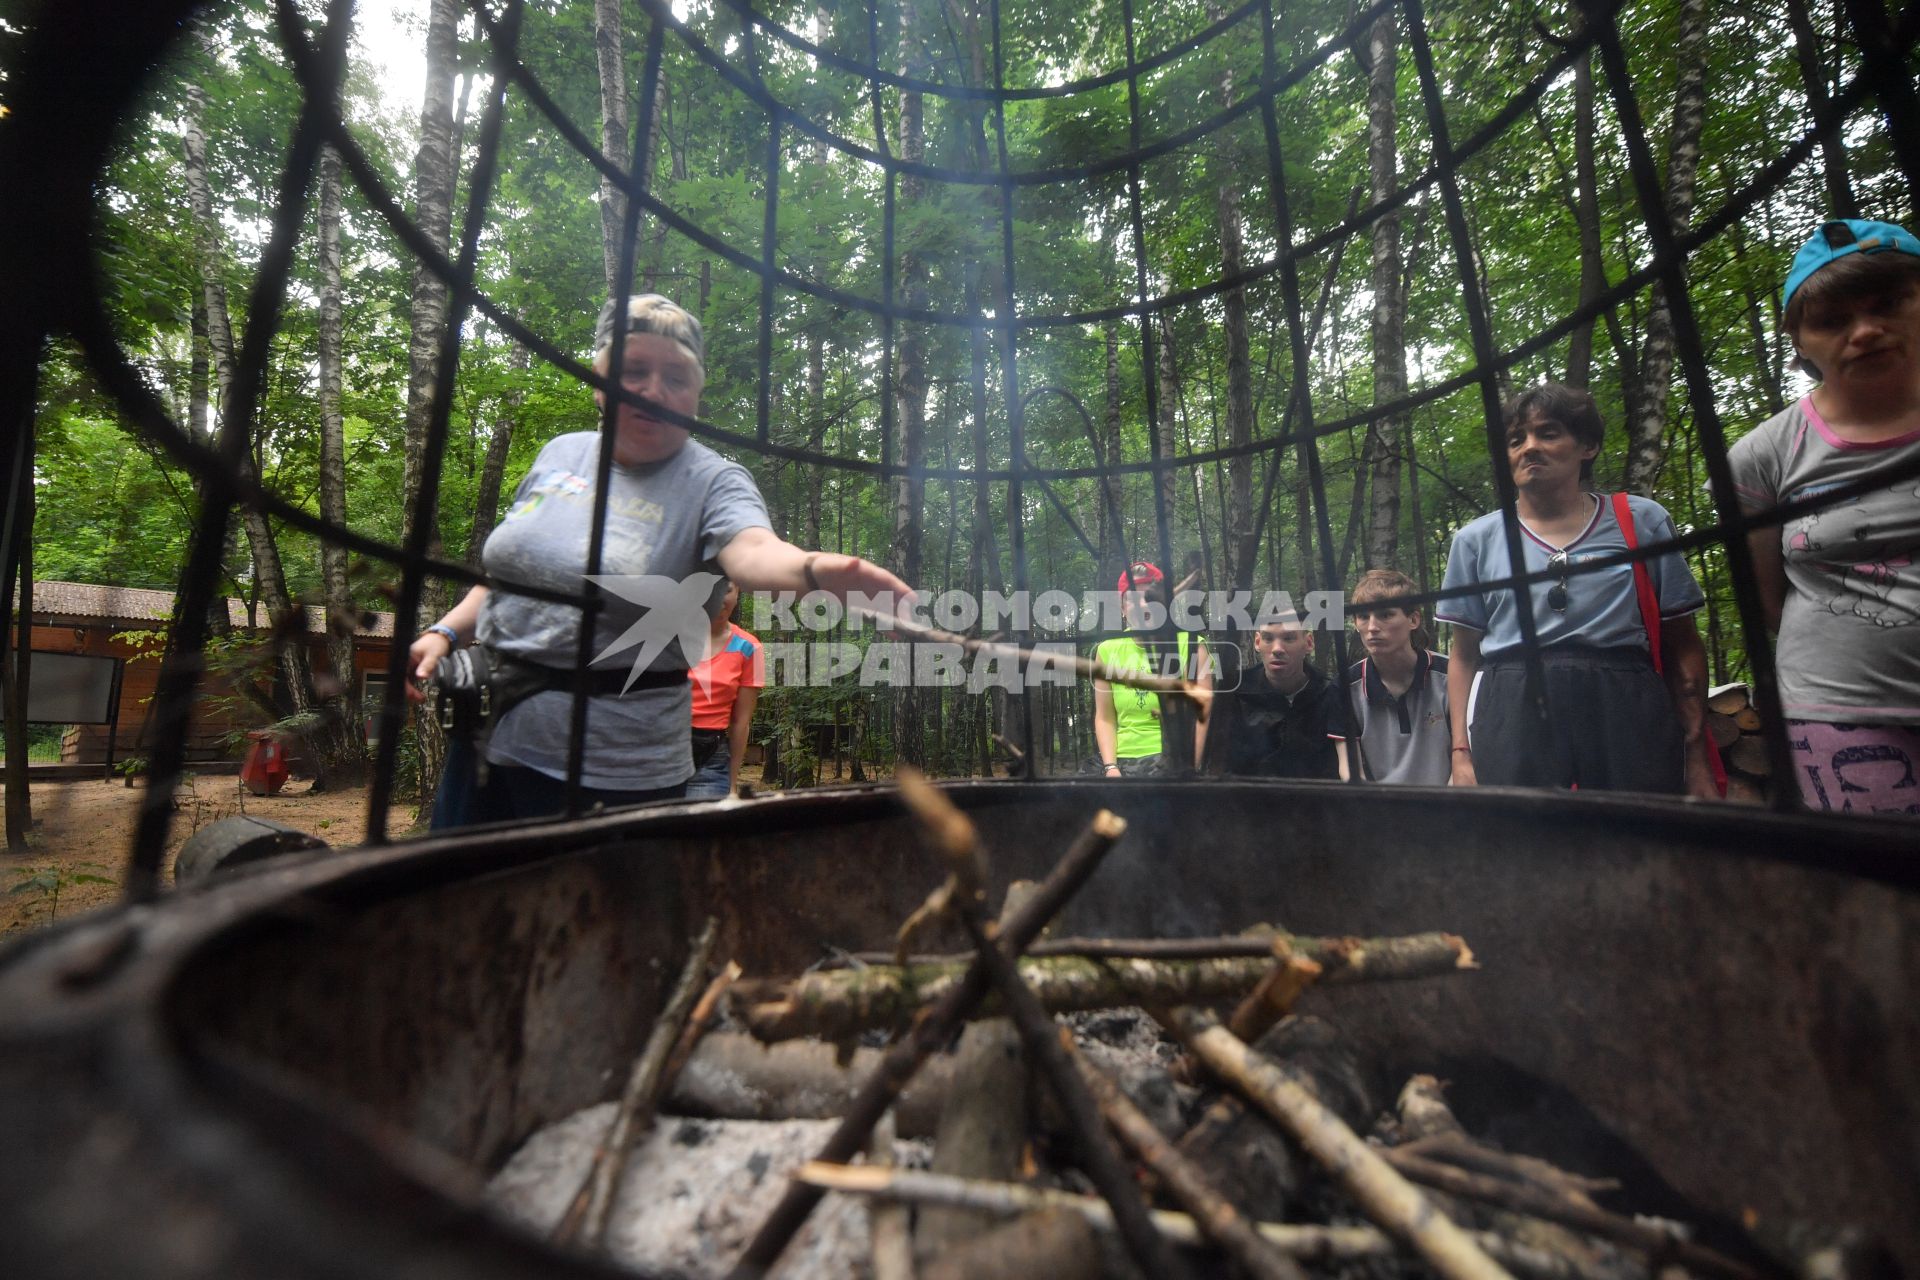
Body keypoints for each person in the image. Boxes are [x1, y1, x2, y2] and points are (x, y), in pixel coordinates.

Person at [409, 294, 911, 826]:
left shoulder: (713, 481)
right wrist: (444, 631)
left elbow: (755, 550)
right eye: (634, 369)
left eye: (676, 375)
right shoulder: (561, 452)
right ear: (601, 376)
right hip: (486, 740)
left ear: (696, 393)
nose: (653, 389)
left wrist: (814, 571)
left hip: (616, 772)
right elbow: (509, 573)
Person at [1438, 382, 1716, 797]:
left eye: (1548, 433)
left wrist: (1695, 755)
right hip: (1512, 703)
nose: (1529, 447)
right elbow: (1463, 657)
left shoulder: (1641, 521)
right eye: (1516, 439)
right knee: (1523, 842)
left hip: (1623, 701)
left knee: (1634, 838)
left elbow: (1683, 643)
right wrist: (1461, 755)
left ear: (1587, 446)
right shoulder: (1476, 540)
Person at [1730, 218, 1920, 816]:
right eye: (1832, 320)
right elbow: (1767, 596)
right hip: (1839, 715)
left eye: (1887, 303)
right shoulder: (1762, 455)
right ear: (1801, 342)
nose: (1864, 331)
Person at [1092, 561, 1210, 777]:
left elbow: (1203, 714)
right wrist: (1111, 768)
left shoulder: (1191, 644)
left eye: (1150, 599)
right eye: (1133, 600)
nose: (1143, 606)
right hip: (1122, 763)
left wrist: (1189, 766)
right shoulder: (1107, 650)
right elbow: (1104, 717)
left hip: (1175, 759)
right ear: (1122, 608)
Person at [1336, 568, 1450, 785]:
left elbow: (1466, 759)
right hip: (1381, 810)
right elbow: (1351, 772)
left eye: (1385, 615)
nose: (1372, 627)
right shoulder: (1344, 687)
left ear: (1413, 620)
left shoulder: (1449, 675)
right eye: (1363, 616)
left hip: (1449, 808)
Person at [1220, 613, 1348, 780]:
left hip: (1318, 802)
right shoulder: (1236, 693)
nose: (1277, 649)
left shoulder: (1330, 694)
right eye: (1268, 639)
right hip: (1251, 801)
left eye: (1288, 638)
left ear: (1308, 643)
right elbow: (1224, 767)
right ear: (1257, 642)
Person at [685, 580, 762, 801]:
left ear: (738, 593)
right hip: (662, 753)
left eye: (726, 590)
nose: (718, 598)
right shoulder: (669, 636)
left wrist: (732, 785)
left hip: (710, 760)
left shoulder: (749, 647)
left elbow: (740, 723)